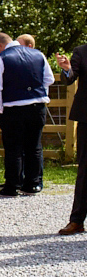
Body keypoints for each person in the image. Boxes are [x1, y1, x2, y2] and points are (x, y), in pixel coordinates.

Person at [0, 32, 54, 196]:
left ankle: (12, 185)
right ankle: (33, 183)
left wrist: (0, 107)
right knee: (34, 146)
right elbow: (49, 79)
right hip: (37, 106)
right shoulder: (38, 54)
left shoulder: (0, 58)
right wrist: (39, 95)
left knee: (13, 147)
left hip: (13, 107)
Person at [55, 44, 87, 234]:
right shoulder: (81, 51)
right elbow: (70, 78)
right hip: (86, 118)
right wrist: (67, 69)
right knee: (85, 170)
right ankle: (77, 220)